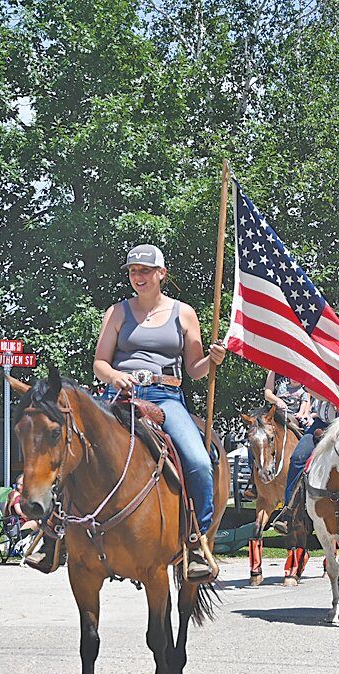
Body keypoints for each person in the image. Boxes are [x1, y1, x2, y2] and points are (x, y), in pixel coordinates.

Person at [84, 243, 226, 581]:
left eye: (145, 271)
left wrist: (213, 360)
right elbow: (100, 363)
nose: (138, 276)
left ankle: (196, 542)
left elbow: (194, 370)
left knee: (199, 461)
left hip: (165, 398)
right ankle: (53, 535)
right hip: (119, 395)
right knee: (72, 445)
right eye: (133, 271)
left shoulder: (184, 313)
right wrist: (115, 375)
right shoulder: (117, 312)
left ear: (161, 273)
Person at [269, 371, 338, 515]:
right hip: (320, 422)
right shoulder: (319, 367)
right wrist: (329, 396)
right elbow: (310, 390)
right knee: (297, 458)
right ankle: (290, 509)